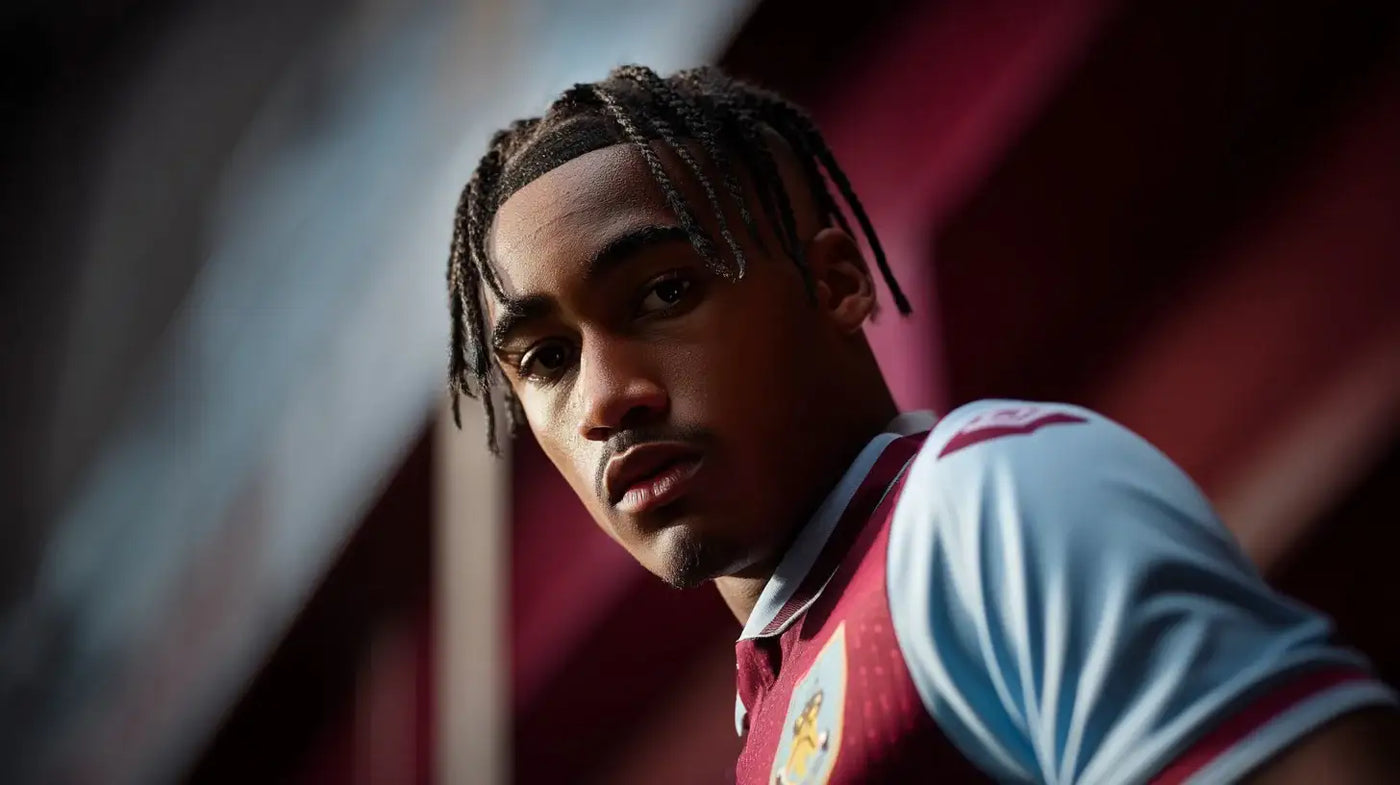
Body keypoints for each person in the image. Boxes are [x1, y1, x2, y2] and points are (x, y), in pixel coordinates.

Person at [444, 64, 1397, 783]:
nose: (607, 398)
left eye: (663, 292)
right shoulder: (773, 715)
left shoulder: (985, 499)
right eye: (546, 360)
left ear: (836, 282)